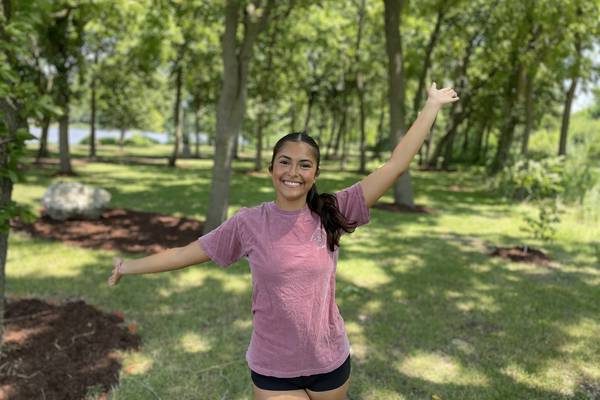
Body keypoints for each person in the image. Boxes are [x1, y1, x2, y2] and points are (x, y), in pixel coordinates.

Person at [108, 83, 458, 400]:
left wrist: (432, 106)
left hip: (329, 361)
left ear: (315, 174)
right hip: (274, 367)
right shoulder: (248, 222)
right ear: (272, 168)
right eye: (285, 162)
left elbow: (395, 165)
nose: (294, 172)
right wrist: (127, 266)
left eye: (304, 165)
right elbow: (186, 253)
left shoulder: (333, 211)